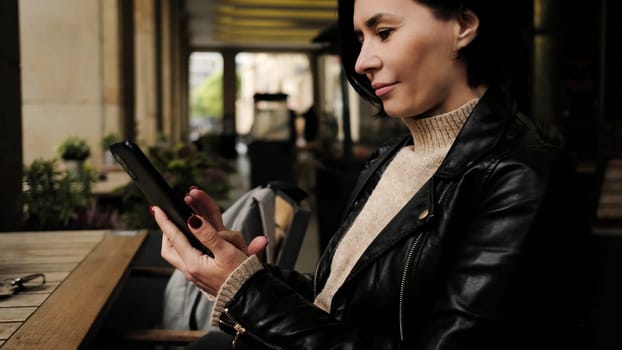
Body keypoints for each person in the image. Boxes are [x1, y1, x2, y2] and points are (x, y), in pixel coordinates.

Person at [152, 0, 589, 348]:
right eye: (360, 38)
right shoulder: (393, 155)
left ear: (464, 25)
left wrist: (246, 293)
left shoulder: (522, 176)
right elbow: (340, 302)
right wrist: (242, 271)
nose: (362, 61)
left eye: (384, 33)